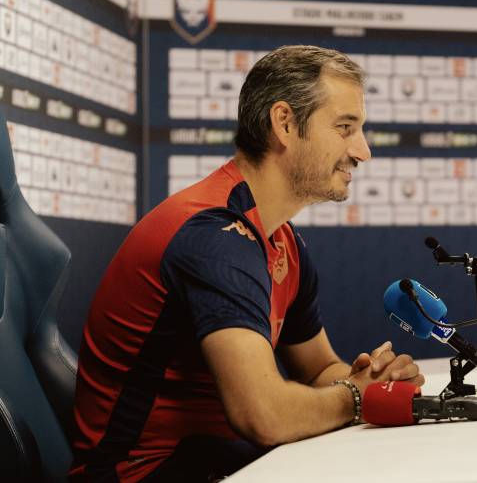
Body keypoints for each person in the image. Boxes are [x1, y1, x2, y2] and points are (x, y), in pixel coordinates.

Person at [70, 45, 425, 482]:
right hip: (142, 473)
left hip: (217, 460)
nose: (363, 151)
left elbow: (317, 368)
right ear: (285, 123)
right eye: (345, 127)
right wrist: (356, 397)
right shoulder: (214, 236)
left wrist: (367, 376)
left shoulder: (283, 240)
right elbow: (263, 415)